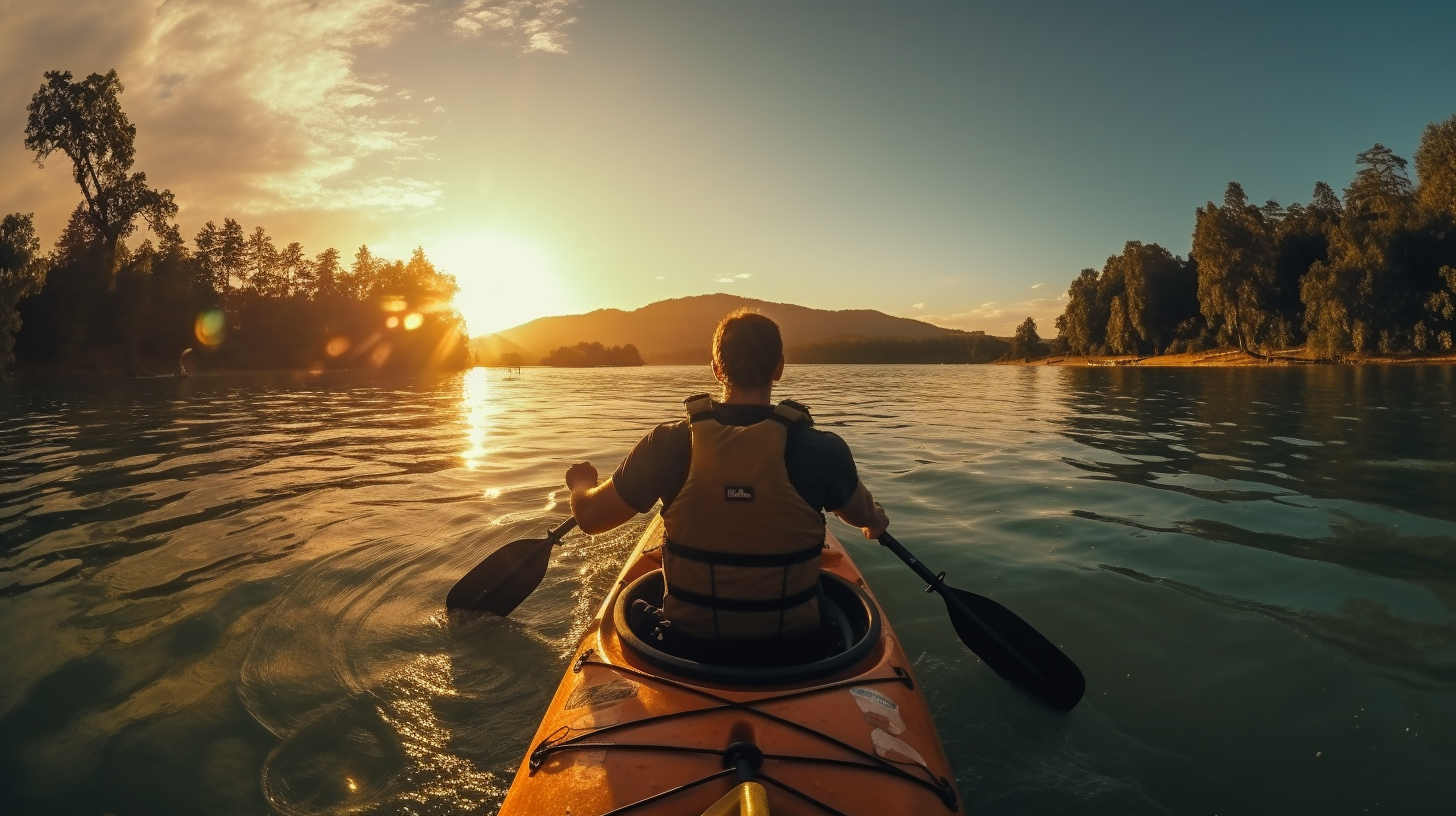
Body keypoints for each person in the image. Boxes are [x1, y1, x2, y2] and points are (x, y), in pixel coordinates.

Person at [563, 310, 889, 661]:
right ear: (778, 368)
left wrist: (582, 484)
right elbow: (860, 515)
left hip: (686, 648)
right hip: (799, 651)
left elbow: (591, 518)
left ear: (717, 369)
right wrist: (875, 521)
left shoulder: (667, 442)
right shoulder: (822, 448)